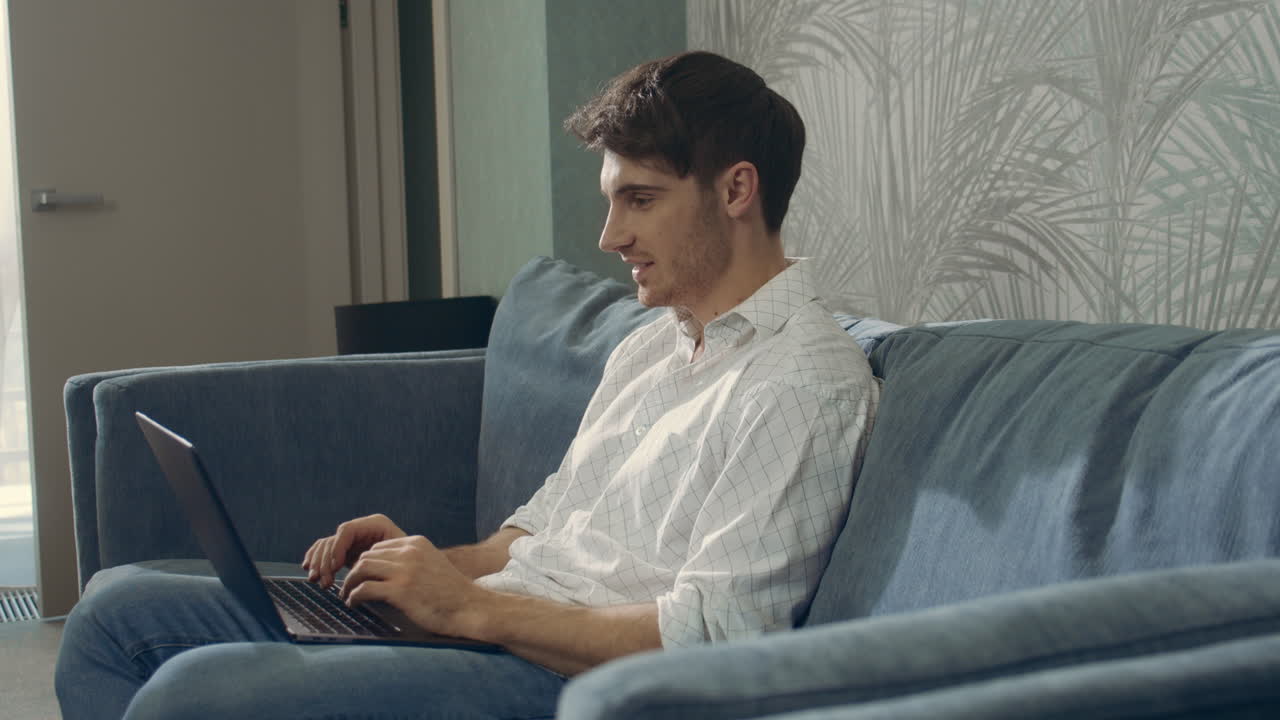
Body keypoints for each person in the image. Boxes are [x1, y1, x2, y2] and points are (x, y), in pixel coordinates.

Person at [55, 50, 877, 720]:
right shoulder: (652, 349)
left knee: (195, 696)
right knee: (112, 614)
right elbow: (530, 539)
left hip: (568, 685)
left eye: (640, 200)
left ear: (736, 189)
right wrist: (420, 571)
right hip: (496, 629)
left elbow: (719, 640)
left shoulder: (802, 381)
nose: (609, 235)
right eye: (611, 200)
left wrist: (467, 609)